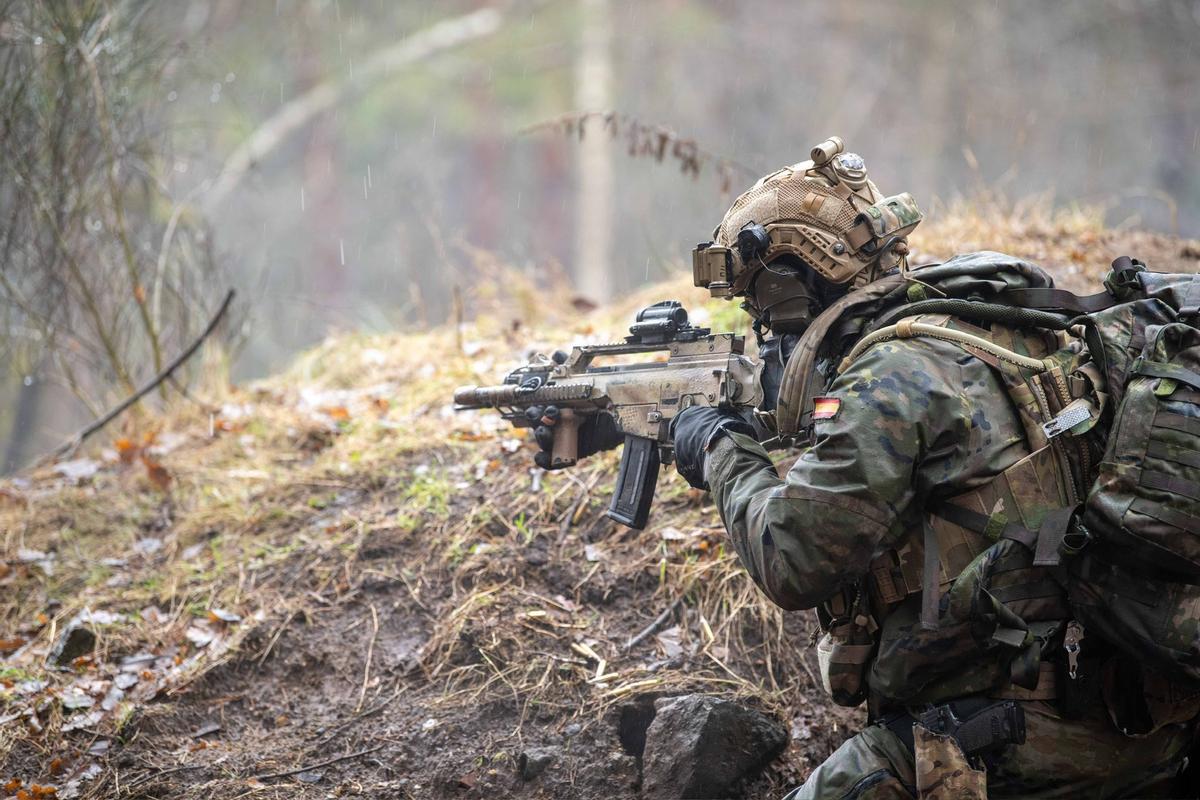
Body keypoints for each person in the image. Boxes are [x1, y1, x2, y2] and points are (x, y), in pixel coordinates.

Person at [530, 137, 1197, 798]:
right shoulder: (986, 327)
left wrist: (717, 446)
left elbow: (793, 558)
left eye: (757, 301)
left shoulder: (889, 378)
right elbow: (818, 416)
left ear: (793, 286)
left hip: (1009, 743)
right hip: (1136, 724)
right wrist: (619, 418)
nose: (760, 324)